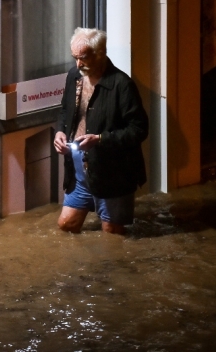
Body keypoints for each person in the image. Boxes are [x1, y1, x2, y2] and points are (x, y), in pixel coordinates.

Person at [53, 28, 149, 234]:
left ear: (100, 53)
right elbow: (64, 111)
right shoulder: (74, 76)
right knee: (66, 225)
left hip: (113, 173)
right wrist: (60, 132)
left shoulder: (122, 85)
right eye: (75, 58)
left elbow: (139, 129)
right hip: (79, 167)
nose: (78, 64)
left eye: (83, 58)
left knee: (112, 234)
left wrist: (101, 139)